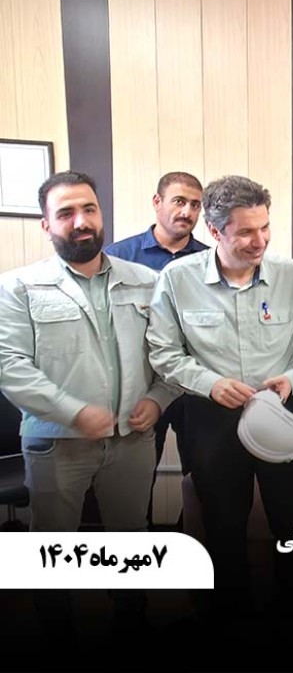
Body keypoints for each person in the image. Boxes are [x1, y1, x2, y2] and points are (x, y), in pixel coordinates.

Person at [0, 170, 179, 634]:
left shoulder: (148, 281)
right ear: (46, 225)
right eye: (65, 213)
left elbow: (170, 355)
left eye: (89, 209)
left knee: (131, 540)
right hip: (56, 443)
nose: (80, 221)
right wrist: (73, 412)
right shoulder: (18, 287)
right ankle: (56, 634)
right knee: (52, 547)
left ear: (101, 215)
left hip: (133, 440)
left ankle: (131, 623)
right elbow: (9, 365)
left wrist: (158, 399)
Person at [146, 174, 293, 624]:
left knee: (291, 522)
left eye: (265, 227)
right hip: (211, 419)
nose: (260, 241)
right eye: (245, 232)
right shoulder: (177, 279)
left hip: (281, 414)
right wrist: (209, 383)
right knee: (222, 526)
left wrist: (292, 379)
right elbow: (163, 352)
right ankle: (229, 618)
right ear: (214, 231)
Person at [105, 171, 209, 523]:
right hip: (141, 386)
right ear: (157, 202)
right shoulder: (118, 258)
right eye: (179, 201)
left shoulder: (211, 261)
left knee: (203, 474)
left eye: (195, 205)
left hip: (195, 385)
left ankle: (189, 539)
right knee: (136, 479)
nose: (187, 211)